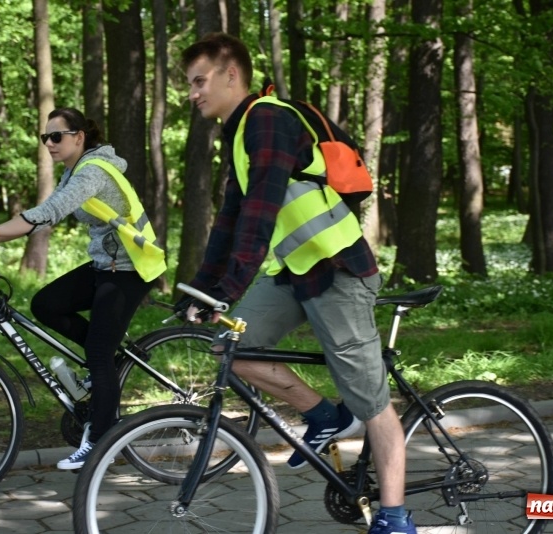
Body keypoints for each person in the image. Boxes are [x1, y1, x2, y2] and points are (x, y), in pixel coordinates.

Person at [174, 33, 416, 534]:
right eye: (190, 84)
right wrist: (200, 287)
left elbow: (261, 214)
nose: (192, 93)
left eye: (199, 81)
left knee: (373, 404)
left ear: (230, 74)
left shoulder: (268, 120)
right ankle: (325, 415)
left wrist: (229, 286)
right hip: (295, 274)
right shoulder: (240, 132)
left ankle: (395, 516)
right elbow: (231, 218)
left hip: (339, 271)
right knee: (234, 349)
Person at [0, 107, 165, 470]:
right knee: (46, 304)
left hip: (130, 268)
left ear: (79, 137)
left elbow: (49, 212)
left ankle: (102, 438)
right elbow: (44, 214)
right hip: (107, 265)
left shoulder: (92, 172)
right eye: (45, 138)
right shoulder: (75, 171)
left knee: (98, 352)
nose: (49, 144)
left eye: (56, 136)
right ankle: (105, 360)